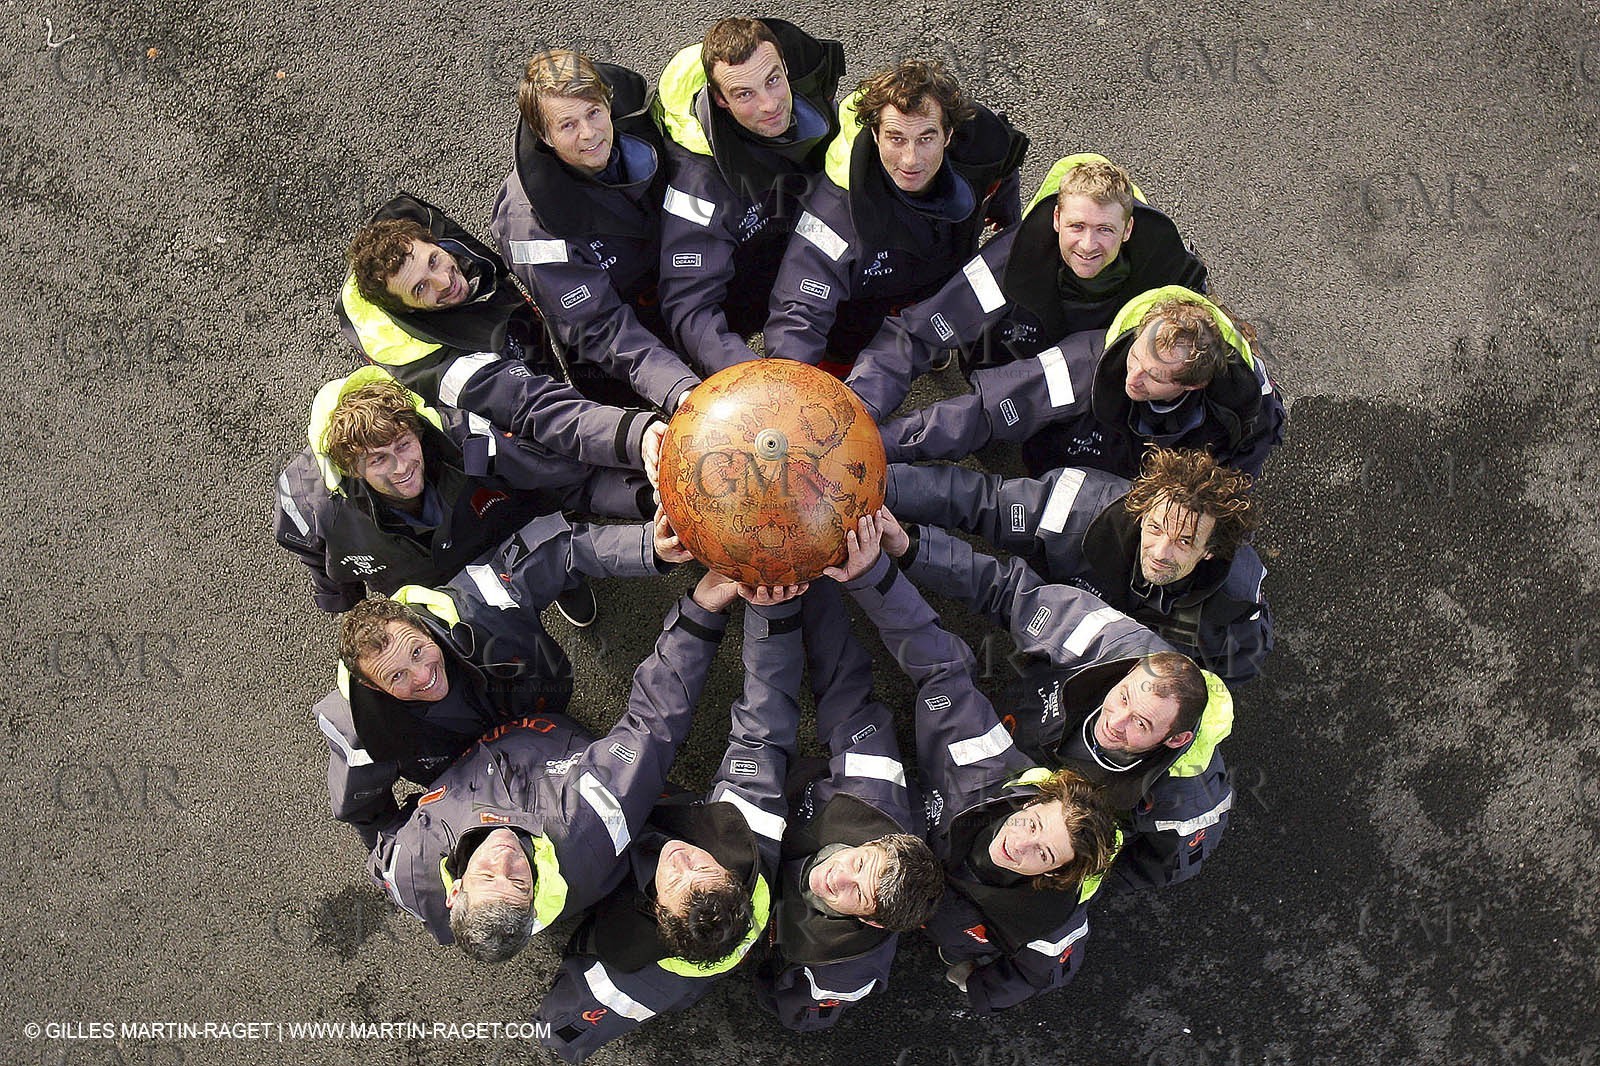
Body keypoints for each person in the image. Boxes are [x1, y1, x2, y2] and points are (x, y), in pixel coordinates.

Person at [824, 512, 1122, 1012]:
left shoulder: (1046, 924)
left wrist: (978, 987)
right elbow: (939, 664)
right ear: (1034, 801)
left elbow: (1047, 971)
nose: (1018, 843)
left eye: (1043, 854)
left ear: (1055, 876)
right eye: (1031, 822)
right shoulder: (984, 755)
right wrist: (871, 574)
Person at [364, 569, 735, 961]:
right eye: (519, 881)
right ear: (534, 900)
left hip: (457, 750)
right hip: (540, 730)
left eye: (488, 875)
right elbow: (655, 722)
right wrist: (702, 611)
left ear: (454, 893)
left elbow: (379, 845)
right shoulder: (591, 821)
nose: (505, 856)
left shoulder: (411, 875)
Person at [876, 510, 1235, 893]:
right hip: (1016, 747)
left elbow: (1163, 867)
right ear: (1127, 673)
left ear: (1175, 740)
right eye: (1124, 697)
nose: (1115, 722)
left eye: (1141, 724)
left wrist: (1071, 879)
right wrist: (913, 547)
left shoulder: (1184, 802)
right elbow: (1009, 591)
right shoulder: (1110, 643)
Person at [535, 578, 803, 1062]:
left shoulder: (625, 982)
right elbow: (765, 721)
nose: (679, 859)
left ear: (655, 912)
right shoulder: (750, 835)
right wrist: (771, 615)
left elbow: (566, 1027)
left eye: (675, 880)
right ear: (731, 872)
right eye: (701, 865)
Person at [274, 370, 683, 613]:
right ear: (352, 468)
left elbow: (552, 474)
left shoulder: (466, 438)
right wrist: (343, 604)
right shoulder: (307, 506)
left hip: (502, 538)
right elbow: (318, 558)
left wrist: (647, 495)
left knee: (552, 562)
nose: (402, 468)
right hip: (433, 590)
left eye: (403, 445)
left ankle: (562, 584)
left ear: (416, 431)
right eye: (378, 460)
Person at [844, 154, 1208, 420]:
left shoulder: (1164, 286)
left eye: (1105, 230)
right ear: (1056, 219)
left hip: (1096, 389)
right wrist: (858, 406)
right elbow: (919, 332)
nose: (1087, 245)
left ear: (1127, 231)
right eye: (1077, 226)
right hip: (1007, 365)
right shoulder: (1010, 260)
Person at [338, 192, 665, 478]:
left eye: (434, 261)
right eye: (420, 288)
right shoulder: (457, 374)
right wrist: (636, 434)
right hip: (533, 466)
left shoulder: (468, 269)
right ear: (408, 311)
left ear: (435, 244)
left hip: (545, 390)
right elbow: (540, 410)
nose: (444, 282)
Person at [885, 447, 1272, 683]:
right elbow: (979, 501)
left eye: (1184, 541)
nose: (1160, 551)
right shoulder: (1082, 507)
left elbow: (1226, 679)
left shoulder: (1235, 612)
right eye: (1155, 528)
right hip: (1051, 616)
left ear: (1210, 550)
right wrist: (881, 486)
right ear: (1141, 512)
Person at [752, 581, 944, 1030]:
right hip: (803, 797)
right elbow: (844, 686)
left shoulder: (837, 973)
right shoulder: (873, 787)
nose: (837, 875)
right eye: (860, 862)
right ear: (880, 840)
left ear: (873, 924)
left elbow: (798, 1012)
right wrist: (813, 578)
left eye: (857, 893)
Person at [763, 58, 1027, 376]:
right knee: (836, 370)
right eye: (896, 138)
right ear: (875, 135)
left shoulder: (984, 144)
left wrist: (1005, 211)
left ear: (948, 134)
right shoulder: (833, 209)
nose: (911, 159)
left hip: (942, 277)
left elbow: (1004, 168)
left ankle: (929, 347)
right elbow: (799, 305)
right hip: (863, 309)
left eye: (926, 139)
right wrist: (786, 377)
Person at [879, 285, 1284, 479]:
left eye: (1155, 377)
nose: (1133, 377)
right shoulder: (1087, 365)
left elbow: (1241, 466)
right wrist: (885, 445)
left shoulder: (1239, 413)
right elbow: (980, 412)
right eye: (1135, 357)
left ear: (1191, 387)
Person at [490, 49, 701, 413]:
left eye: (593, 113)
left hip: (671, 300)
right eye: (568, 125)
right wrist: (678, 388)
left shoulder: (644, 126)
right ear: (544, 134)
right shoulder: (529, 225)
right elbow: (600, 328)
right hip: (614, 357)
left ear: (607, 101)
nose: (590, 135)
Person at [654, 17, 846, 373]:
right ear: (720, 100)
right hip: (740, 286)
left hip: (803, 249)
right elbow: (691, 307)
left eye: (773, 80)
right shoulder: (696, 187)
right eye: (744, 94)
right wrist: (753, 377)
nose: (770, 104)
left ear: (785, 67)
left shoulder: (819, 105)